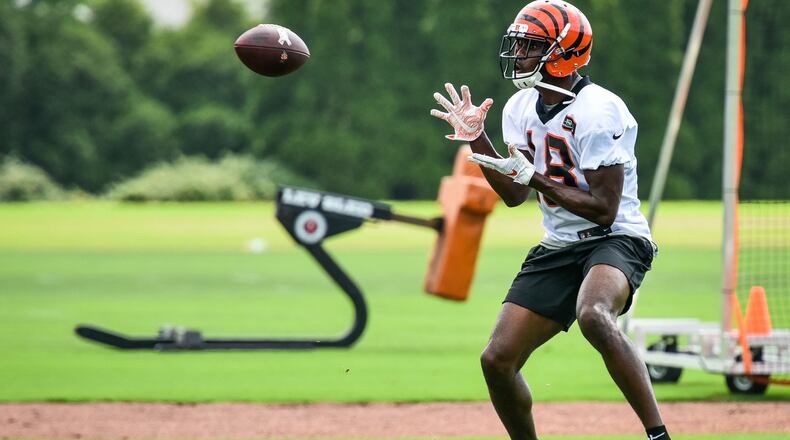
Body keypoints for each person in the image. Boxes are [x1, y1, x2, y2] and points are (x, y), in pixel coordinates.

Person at [430, 1, 671, 440]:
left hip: (615, 238)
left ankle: (658, 435)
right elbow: (514, 195)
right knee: (497, 360)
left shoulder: (600, 109)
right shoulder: (519, 107)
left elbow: (604, 208)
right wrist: (477, 141)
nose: (518, 53)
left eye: (530, 45)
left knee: (594, 315)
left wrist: (535, 176)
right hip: (559, 244)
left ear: (564, 53)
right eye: (520, 43)